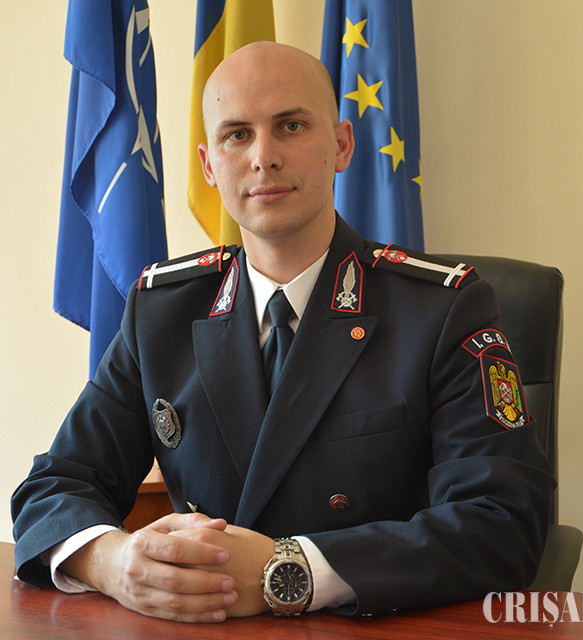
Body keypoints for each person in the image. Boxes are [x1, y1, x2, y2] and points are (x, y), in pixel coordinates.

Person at [11, 41, 554, 623]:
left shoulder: (441, 309)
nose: (263, 157)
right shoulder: (161, 311)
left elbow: (503, 522)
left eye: (291, 126)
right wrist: (112, 561)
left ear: (341, 145)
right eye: (236, 135)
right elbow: (55, 485)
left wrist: (289, 570)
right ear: (208, 166)